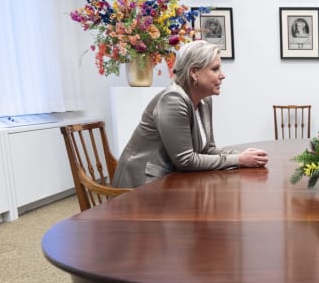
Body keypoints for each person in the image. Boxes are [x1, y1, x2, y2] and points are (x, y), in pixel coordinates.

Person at [113, 40, 268, 188]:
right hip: (141, 186)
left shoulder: (204, 100)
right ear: (194, 72)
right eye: (215, 69)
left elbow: (208, 150)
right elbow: (186, 160)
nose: (222, 75)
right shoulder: (173, 100)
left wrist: (244, 156)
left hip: (171, 180)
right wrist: (238, 160)